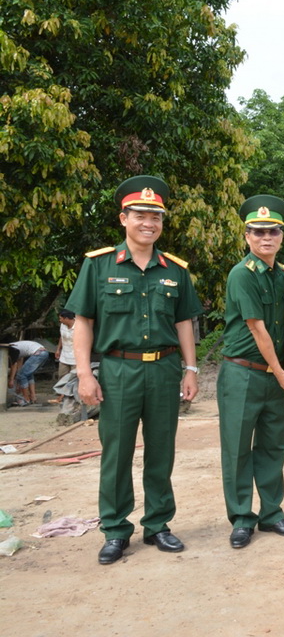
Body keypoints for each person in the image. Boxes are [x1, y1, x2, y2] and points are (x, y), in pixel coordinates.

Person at [65, 175, 202, 565]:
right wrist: (85, 374)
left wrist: (190, 369)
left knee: (161, 451)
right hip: (117, 371)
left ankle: (158, 525)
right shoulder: (99, 265)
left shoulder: (175, 271)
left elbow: (183, 324)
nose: (149, 223)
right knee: (117, 452)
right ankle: (116, 529)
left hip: (163, 370)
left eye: (156, 216)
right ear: (123, 218)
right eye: (140, 214)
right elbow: (84, 321)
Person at [218, 195, 284, 549]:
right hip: (243, 374)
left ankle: (271, 513)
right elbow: (257, 328)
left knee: (272, 446)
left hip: (272, 375)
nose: (265, 238)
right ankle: (241, 518)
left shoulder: (283, 276)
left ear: (281, 236)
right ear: (247, 236)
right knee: (238, 448)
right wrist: (281, 371)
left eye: (272, 231)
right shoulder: (243, 274)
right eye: (257, 232)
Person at [11, 340, 49, 405]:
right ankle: (33, 397)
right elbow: (19, 362)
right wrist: (18, 377)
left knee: (22, 375)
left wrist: (11, 380)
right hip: (44, 353)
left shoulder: (9, 349)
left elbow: (14, 365)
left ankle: (26, 399)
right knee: (28, 374)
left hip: (38, 353)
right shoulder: (15, 347)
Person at [52, 310, 77, 404]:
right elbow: (61, 337)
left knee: (74, 378)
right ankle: (60, 397)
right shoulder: (63, 325)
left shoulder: (79, 326)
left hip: (76, 356)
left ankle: (72, 398)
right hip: (64, 355)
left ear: (66, 318)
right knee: (62, 376)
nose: (60, 320)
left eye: (61, 318)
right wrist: (58, 349)